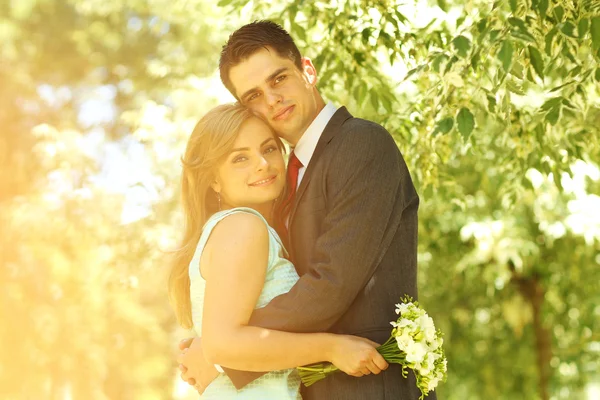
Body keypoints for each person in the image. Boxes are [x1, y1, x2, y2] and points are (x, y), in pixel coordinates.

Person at [179, 20, 431, 399]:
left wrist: (220, 347)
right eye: (253, 96)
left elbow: (331, 284)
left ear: (307, 70)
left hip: (369, 387)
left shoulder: (361, 145)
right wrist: (221, 341)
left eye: (278, 79)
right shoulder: (281, 183)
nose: (271, 100)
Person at [170, 103, 388, 399]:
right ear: (214, 180)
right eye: (240, 158)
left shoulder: (247, 229)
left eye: (269, 149)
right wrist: (332, 347)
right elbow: (222, 345)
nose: (261, 163)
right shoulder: (243, 227)